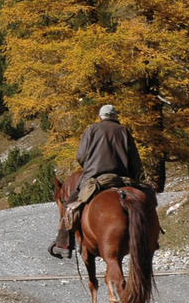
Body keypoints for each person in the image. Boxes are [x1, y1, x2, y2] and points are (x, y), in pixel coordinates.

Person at [50, 104, 143, 259]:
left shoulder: (92, 129)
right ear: (115, 117)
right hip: (121, 178)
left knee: (71, 205)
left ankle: (63, 244)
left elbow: (80, 156)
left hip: (94, 178)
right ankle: (150, 236)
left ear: (100, 117)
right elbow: (135, 162)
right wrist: (132, 178)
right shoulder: (123, 130)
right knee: (145, 199)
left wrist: (90, 166)